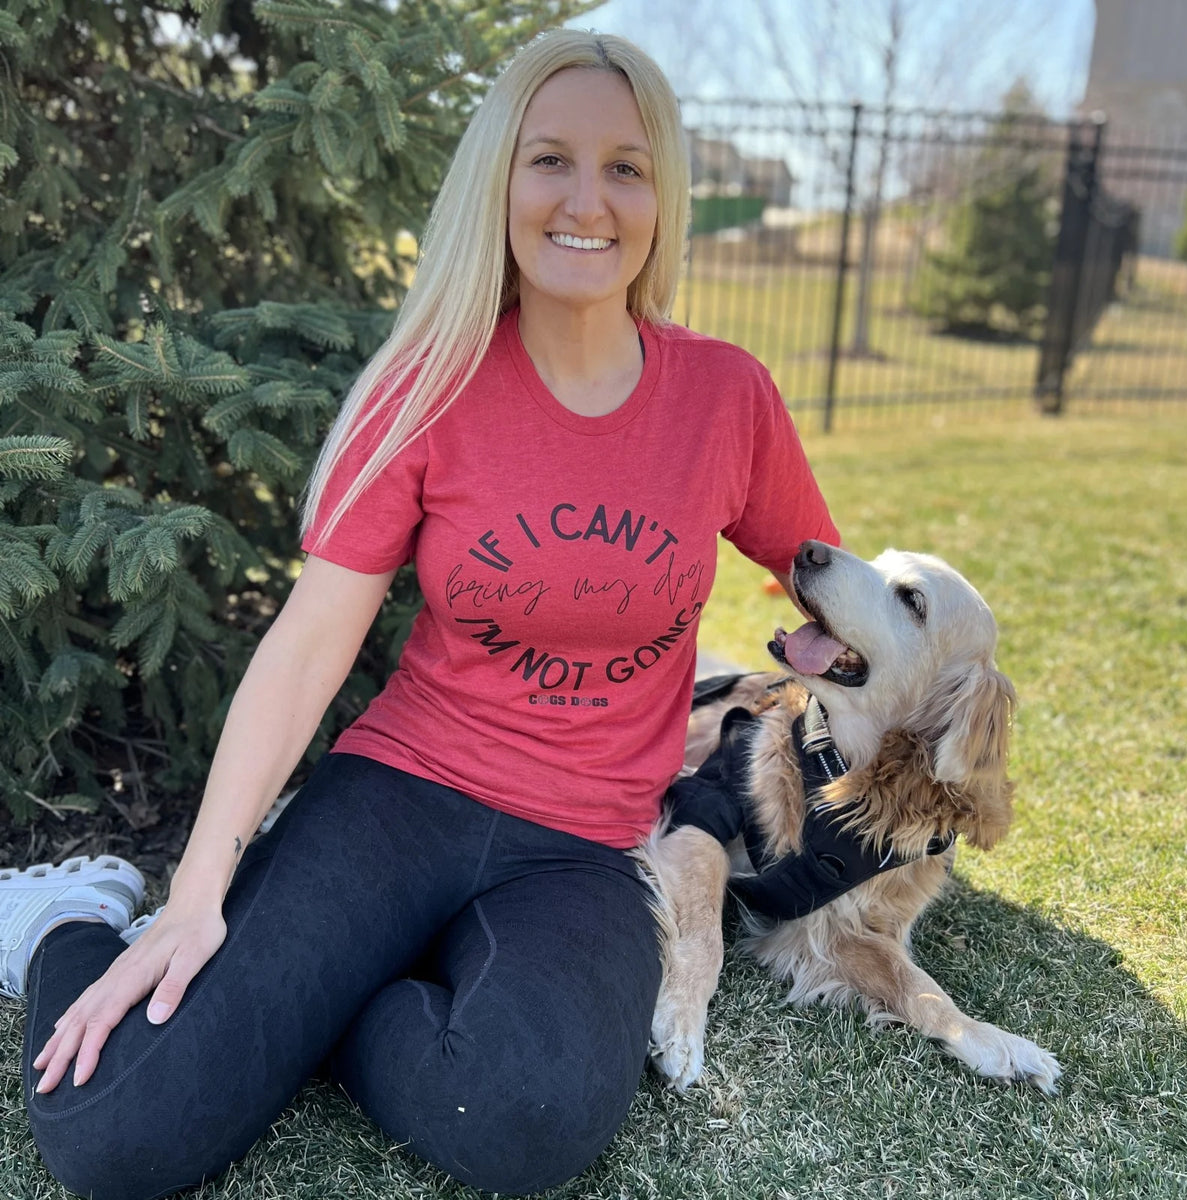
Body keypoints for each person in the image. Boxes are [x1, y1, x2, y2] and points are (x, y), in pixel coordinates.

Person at [0, 28, 838, 1200]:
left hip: (583, 846)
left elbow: (823, 575)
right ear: (500, 179)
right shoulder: (430, 383)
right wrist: (193, 898)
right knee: (117, 1133)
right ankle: (65, 919)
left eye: (626, 167)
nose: (586, 200)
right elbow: (309, 646)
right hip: (401, 796)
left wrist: (894, 657)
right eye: (549, 160)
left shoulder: (723, 397)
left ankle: (334, 999)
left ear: (664, 198)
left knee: (530, 1117)